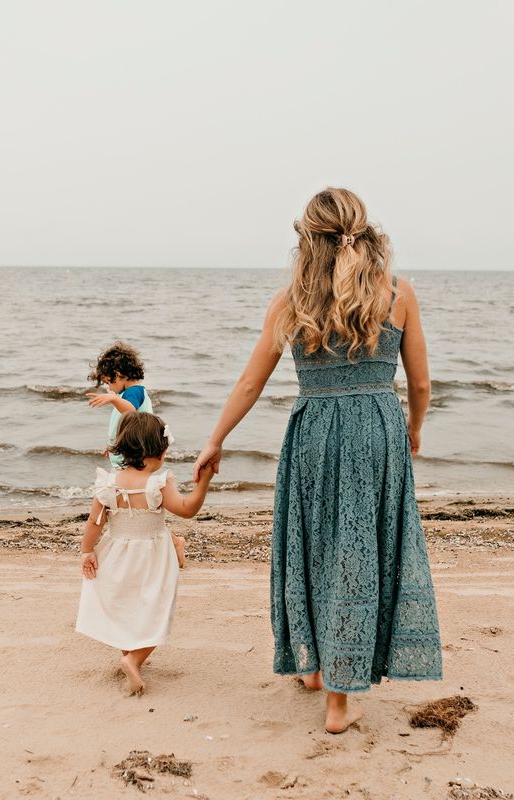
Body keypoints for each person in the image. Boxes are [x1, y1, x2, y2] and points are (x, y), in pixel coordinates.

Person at [192, 188, 443, 734]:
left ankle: (317, 668)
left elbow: (251, 381)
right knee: (362, 547)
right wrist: (414, 429)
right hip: (377, 431)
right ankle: (339, 699)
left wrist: (216, 439)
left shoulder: (290, 302)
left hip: (314, 434)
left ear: (307, 239)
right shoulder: (398, 293)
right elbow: (421, 382)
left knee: (316, 544)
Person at [77, 411, 214, 695]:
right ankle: (134, 659)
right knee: (157, 610)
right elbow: (187, 510)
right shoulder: (158, 485)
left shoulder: (108, 484)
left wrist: (87, 551)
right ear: (158, 453)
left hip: (117, 554)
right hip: (152, 556)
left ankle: (128, 652)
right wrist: (204, 483)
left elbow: (95, 522)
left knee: (125, 604)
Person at [86, 341, 154, 468]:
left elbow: (130, 411)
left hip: (134, 456)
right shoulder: (127, 395)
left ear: (117, 375)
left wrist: (113, 399)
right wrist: (113, 445)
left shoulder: (134, 392)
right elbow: (124, 423)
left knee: (128, 484)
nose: (110, 388)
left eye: (108, 382)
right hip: (128, 452)